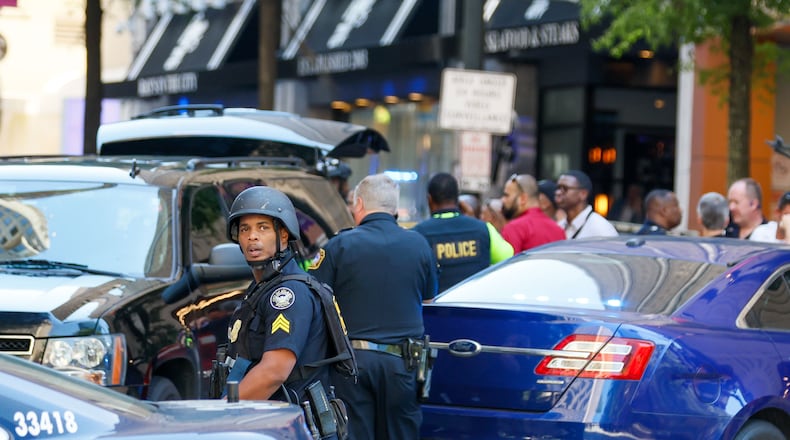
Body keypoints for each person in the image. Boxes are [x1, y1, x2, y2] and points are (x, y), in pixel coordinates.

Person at [308, 173, 438, 440]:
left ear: (359, 204)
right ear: (394, 208)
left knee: (355, 433)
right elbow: (428, 298)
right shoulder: (419, 244)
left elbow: (314, 301)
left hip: (353, 364)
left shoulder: (339, 245)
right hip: (403, 363)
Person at [221, 186, 342, 438]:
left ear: (284, 236)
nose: (252, 236)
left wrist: (221, 417)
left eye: (263, 228)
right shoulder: (262, 287)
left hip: (290, 428)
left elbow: (274, 371)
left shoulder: (288, 294)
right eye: (245, 229)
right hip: (265, 423)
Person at [412, 173, 514, 293]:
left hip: (435, 310)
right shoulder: (484, 229)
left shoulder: (417, 234)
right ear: (458, 199)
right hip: (473, 308)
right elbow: (508, 256)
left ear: (429, 199)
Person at [500, 174, 566, 253]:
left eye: (507, 195)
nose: (503, 200)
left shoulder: (514, 228)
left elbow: (507, 263)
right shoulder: (558, 230)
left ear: (523, 198)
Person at [555, 170, 619, 239]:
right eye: (558, 188)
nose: (558, 193)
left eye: (565, 189)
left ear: (583, 194)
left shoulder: (601, 230)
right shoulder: (560, 225)